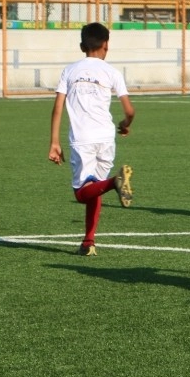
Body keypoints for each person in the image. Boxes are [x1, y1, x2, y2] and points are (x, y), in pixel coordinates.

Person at [48, 22, 135, 256]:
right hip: (106, 137)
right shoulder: (112, 72)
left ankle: (115, 181)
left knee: (81, 193)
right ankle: (88, 242)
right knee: (93, 188)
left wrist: (54, 142)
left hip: (82, 137)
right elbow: (129, 111)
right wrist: (125, 125)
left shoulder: (69, 70)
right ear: (106, 45)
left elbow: (57, 107)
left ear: (81, 46)